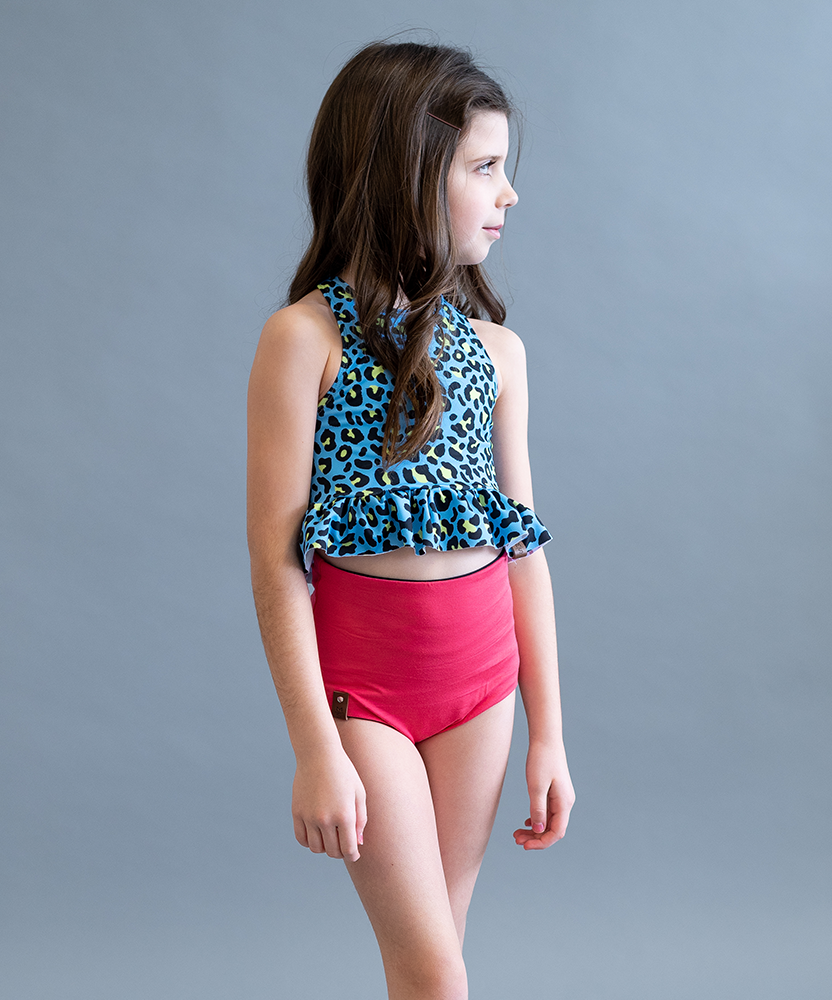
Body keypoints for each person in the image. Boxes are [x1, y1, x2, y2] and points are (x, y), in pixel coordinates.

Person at [247, 40, 575, 1000]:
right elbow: (275, 562)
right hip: (367, 693)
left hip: (483, 687)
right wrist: (314, 746)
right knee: (435, 973)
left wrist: (549, 734)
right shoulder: (303, 339)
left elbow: (523, 552)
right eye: (484, 167)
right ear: (409, 174)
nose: (508, 193)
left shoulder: (499, 353)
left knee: (433, 963)